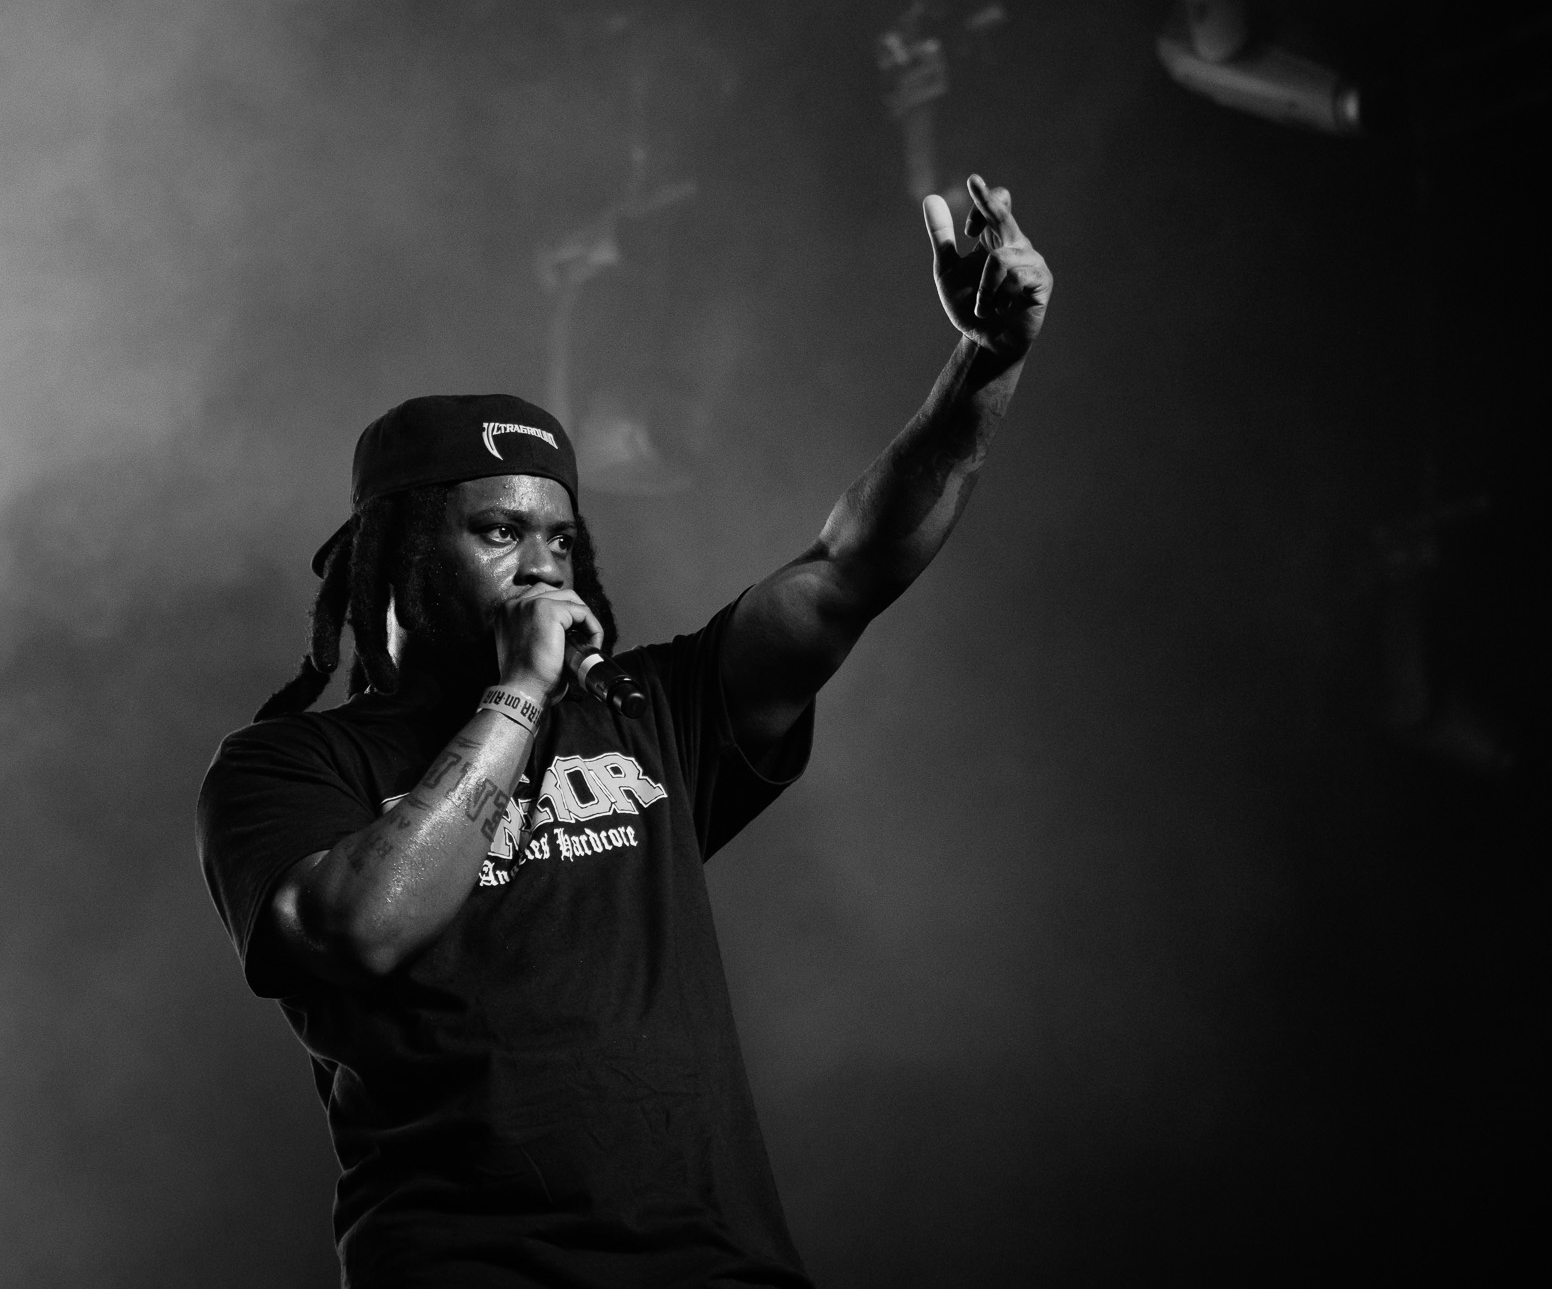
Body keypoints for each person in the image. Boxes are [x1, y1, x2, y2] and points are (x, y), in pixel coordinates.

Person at [196, 176, 1051, 1288]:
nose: (543, 565)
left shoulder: (648, 713)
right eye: (498, 532)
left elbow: (851, 569)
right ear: (394, 557)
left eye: (560, 537)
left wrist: (985, 361)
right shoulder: (288, 765)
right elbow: (359, 929)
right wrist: (518, 694)